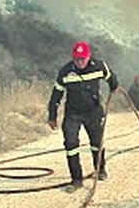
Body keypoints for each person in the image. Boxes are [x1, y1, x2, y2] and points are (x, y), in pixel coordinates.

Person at [47, 41, 119, 193]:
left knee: (96, 143)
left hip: (93, 112)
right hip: (73, 114)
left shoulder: (99, 66)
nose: (80, 62)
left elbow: (110, 76)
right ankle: (76, 180)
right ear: (73, 58)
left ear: (89, 56)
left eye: (83, 59)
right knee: (71, 145)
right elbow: (56, 94)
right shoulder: (65, 72)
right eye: (77, 59)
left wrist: (114, 86)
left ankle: (100, 169)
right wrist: (52, 116)